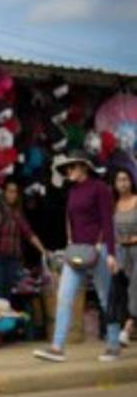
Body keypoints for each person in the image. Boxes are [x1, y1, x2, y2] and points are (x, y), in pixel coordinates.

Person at [34, 150, 120, 363]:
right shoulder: (72, 191)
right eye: (67, 168)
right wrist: (69, 243)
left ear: (84, 166)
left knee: (105, 297)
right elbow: (70, 221)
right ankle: (57, 347)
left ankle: (113, 345)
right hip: (76, 250)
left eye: (72, 167)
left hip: (98, 250)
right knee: (64, 297)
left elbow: (108, 221)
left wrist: (110, 252)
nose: (68, 171)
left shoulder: (99, 188)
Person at [0, 179, 47, 300]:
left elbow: (29, 234)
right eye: (10, 191)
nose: (13, 194)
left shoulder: (17, 213)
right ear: (4, 192)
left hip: (12, 259)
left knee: (7, 293)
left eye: (15, 192)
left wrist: (43, 250)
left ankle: (6, 318)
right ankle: (0, 317)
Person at [112, 168, 137, 347]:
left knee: (135, 288)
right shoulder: (114, 205)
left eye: (126, 179)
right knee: (124, 291)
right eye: (119, 180)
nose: (123, 183)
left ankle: (127, 328)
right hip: (122, 253)